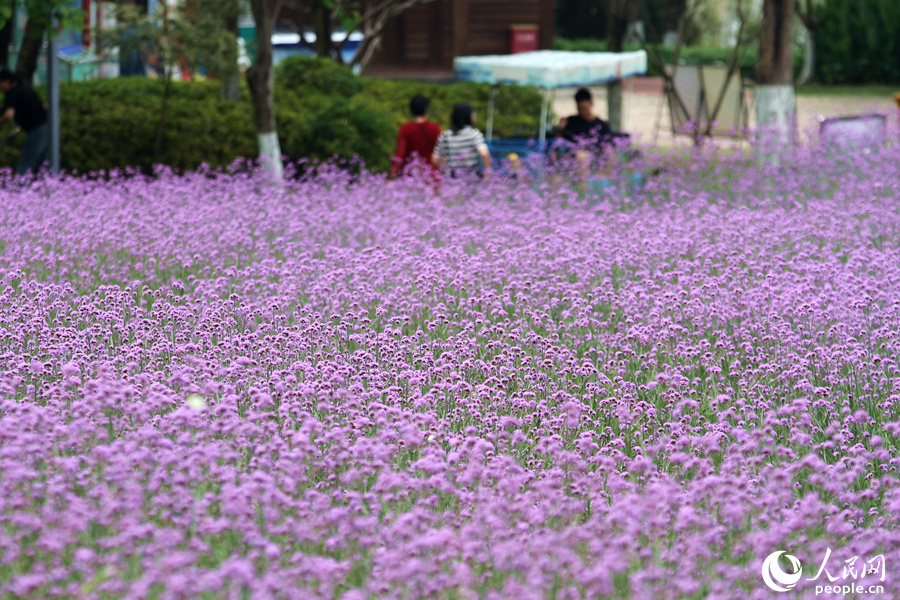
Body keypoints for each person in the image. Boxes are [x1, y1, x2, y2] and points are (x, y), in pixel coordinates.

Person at [0, 70, 48, 176]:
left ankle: (22, 190)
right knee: (44, 165)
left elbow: (9, 115)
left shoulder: (12, 93)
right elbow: (44, 106)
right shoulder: (26, 90)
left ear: (7, 81)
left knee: (25, 164)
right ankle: (49, 189)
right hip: (48, 128)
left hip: (37, 130)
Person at [558, 87, 630, 152]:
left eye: (584, 108)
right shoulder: (571, 121)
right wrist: (560, 129)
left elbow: (608, 147)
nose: (582, 111)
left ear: (591, 104)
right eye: (579, 108)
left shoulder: (602, 125)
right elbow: (559, 143)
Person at [432, 103, 491, 180]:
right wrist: (487, 172)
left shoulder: (445, 136)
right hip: (470, 179)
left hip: (450, 180)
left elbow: (435, 159)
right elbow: (484, 153)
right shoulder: (473, 134)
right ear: (469, 116)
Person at [391, 94, 441, 182]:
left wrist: (394, 173)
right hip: (431, 176)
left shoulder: (405, 129)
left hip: (411, 176)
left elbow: (400, 153)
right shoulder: (434, 128)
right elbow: (440, 152)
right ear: (426, 109)